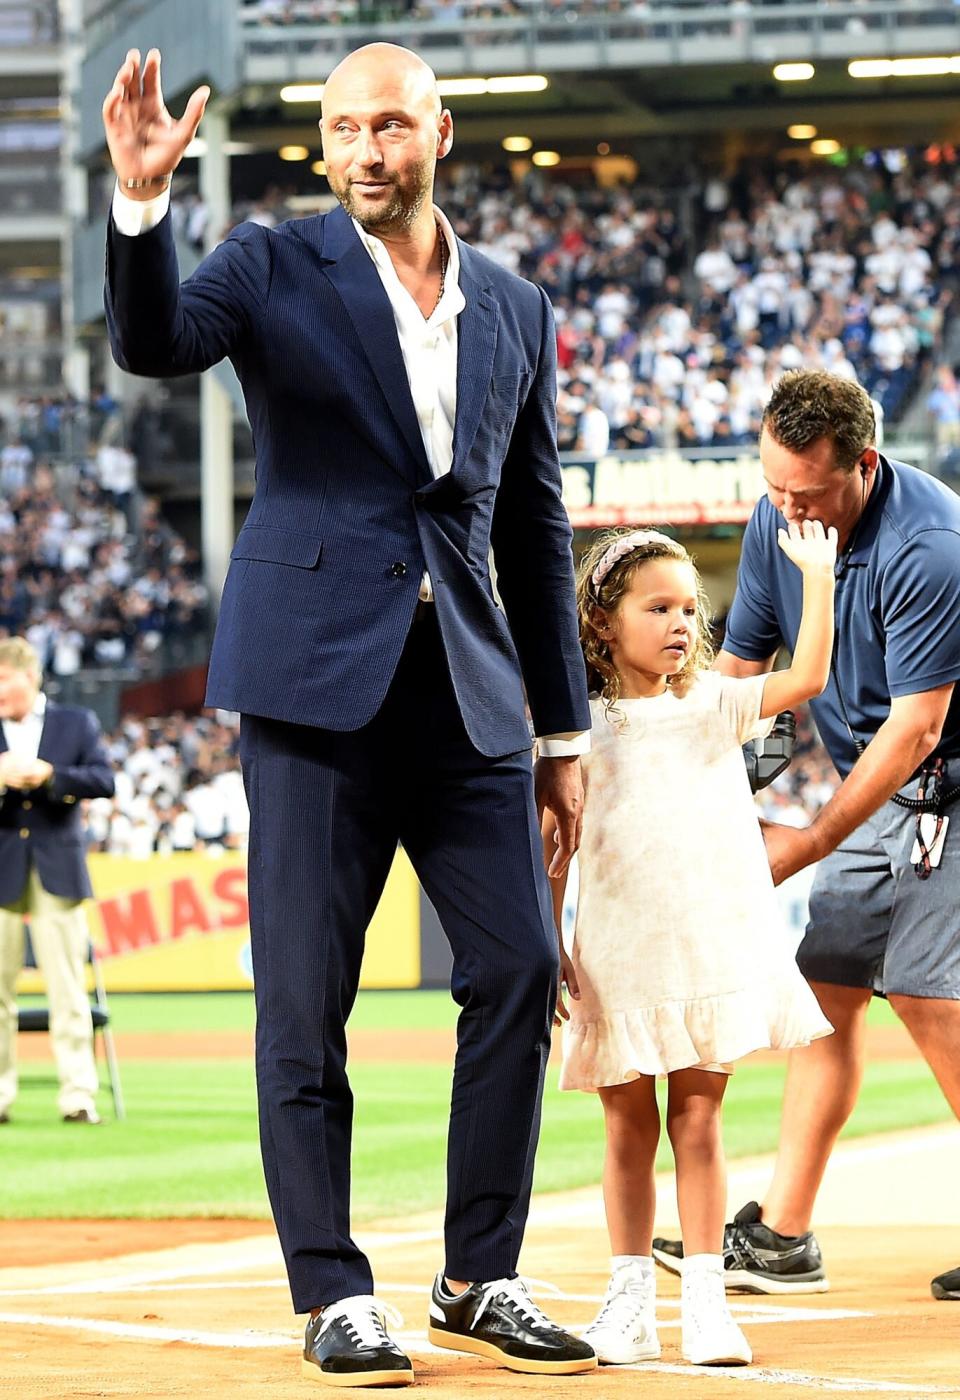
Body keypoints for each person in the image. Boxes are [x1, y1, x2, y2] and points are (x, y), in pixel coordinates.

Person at [102, 42, 597, 1387]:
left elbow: (535, 528)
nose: (365, 149)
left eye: (389, 125)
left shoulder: (514, 307)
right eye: (341, 129)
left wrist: (563, 735)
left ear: (439, 131)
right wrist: (140, 208)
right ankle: (331, 1289)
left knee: (518, 973)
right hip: (315, 688)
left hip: (474, 698)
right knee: (305, 1002)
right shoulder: (269, 267)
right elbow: (155, 345)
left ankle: (478, 1273)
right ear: (323, 147)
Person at [651, 369, 960, 1305]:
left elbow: (919, 729)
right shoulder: (774, 519)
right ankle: (784, 1236)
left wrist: (812, 839)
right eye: (774, 485)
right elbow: (744, 678)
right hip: (878, 792)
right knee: (822, 995)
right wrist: (688, 793)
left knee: (931, 1002)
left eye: (807, 493)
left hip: (945, 793)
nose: (787, 507)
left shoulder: (930, 545)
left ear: (862, 464)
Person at [544, 524, 835, 1368]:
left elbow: (809, 673)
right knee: (627, 1129)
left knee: (700, 1120)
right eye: (657, 606)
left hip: (711, 941)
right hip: (617, 950)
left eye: (688, 608)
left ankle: (706, 1302)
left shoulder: (716, 702)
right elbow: (556, 841)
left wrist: (813, 576)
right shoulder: (577, 729)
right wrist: (550, 933)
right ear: (602, 621)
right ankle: (629, 1305)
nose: (679, 622)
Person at [0, 637, 115, 1125]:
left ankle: (78, 1095)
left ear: (29, 676)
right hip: (3, 863)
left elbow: (104, 780)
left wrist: (51, 776)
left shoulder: (76, 721)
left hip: (57, 865)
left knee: (67, 988)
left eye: (4, 680)